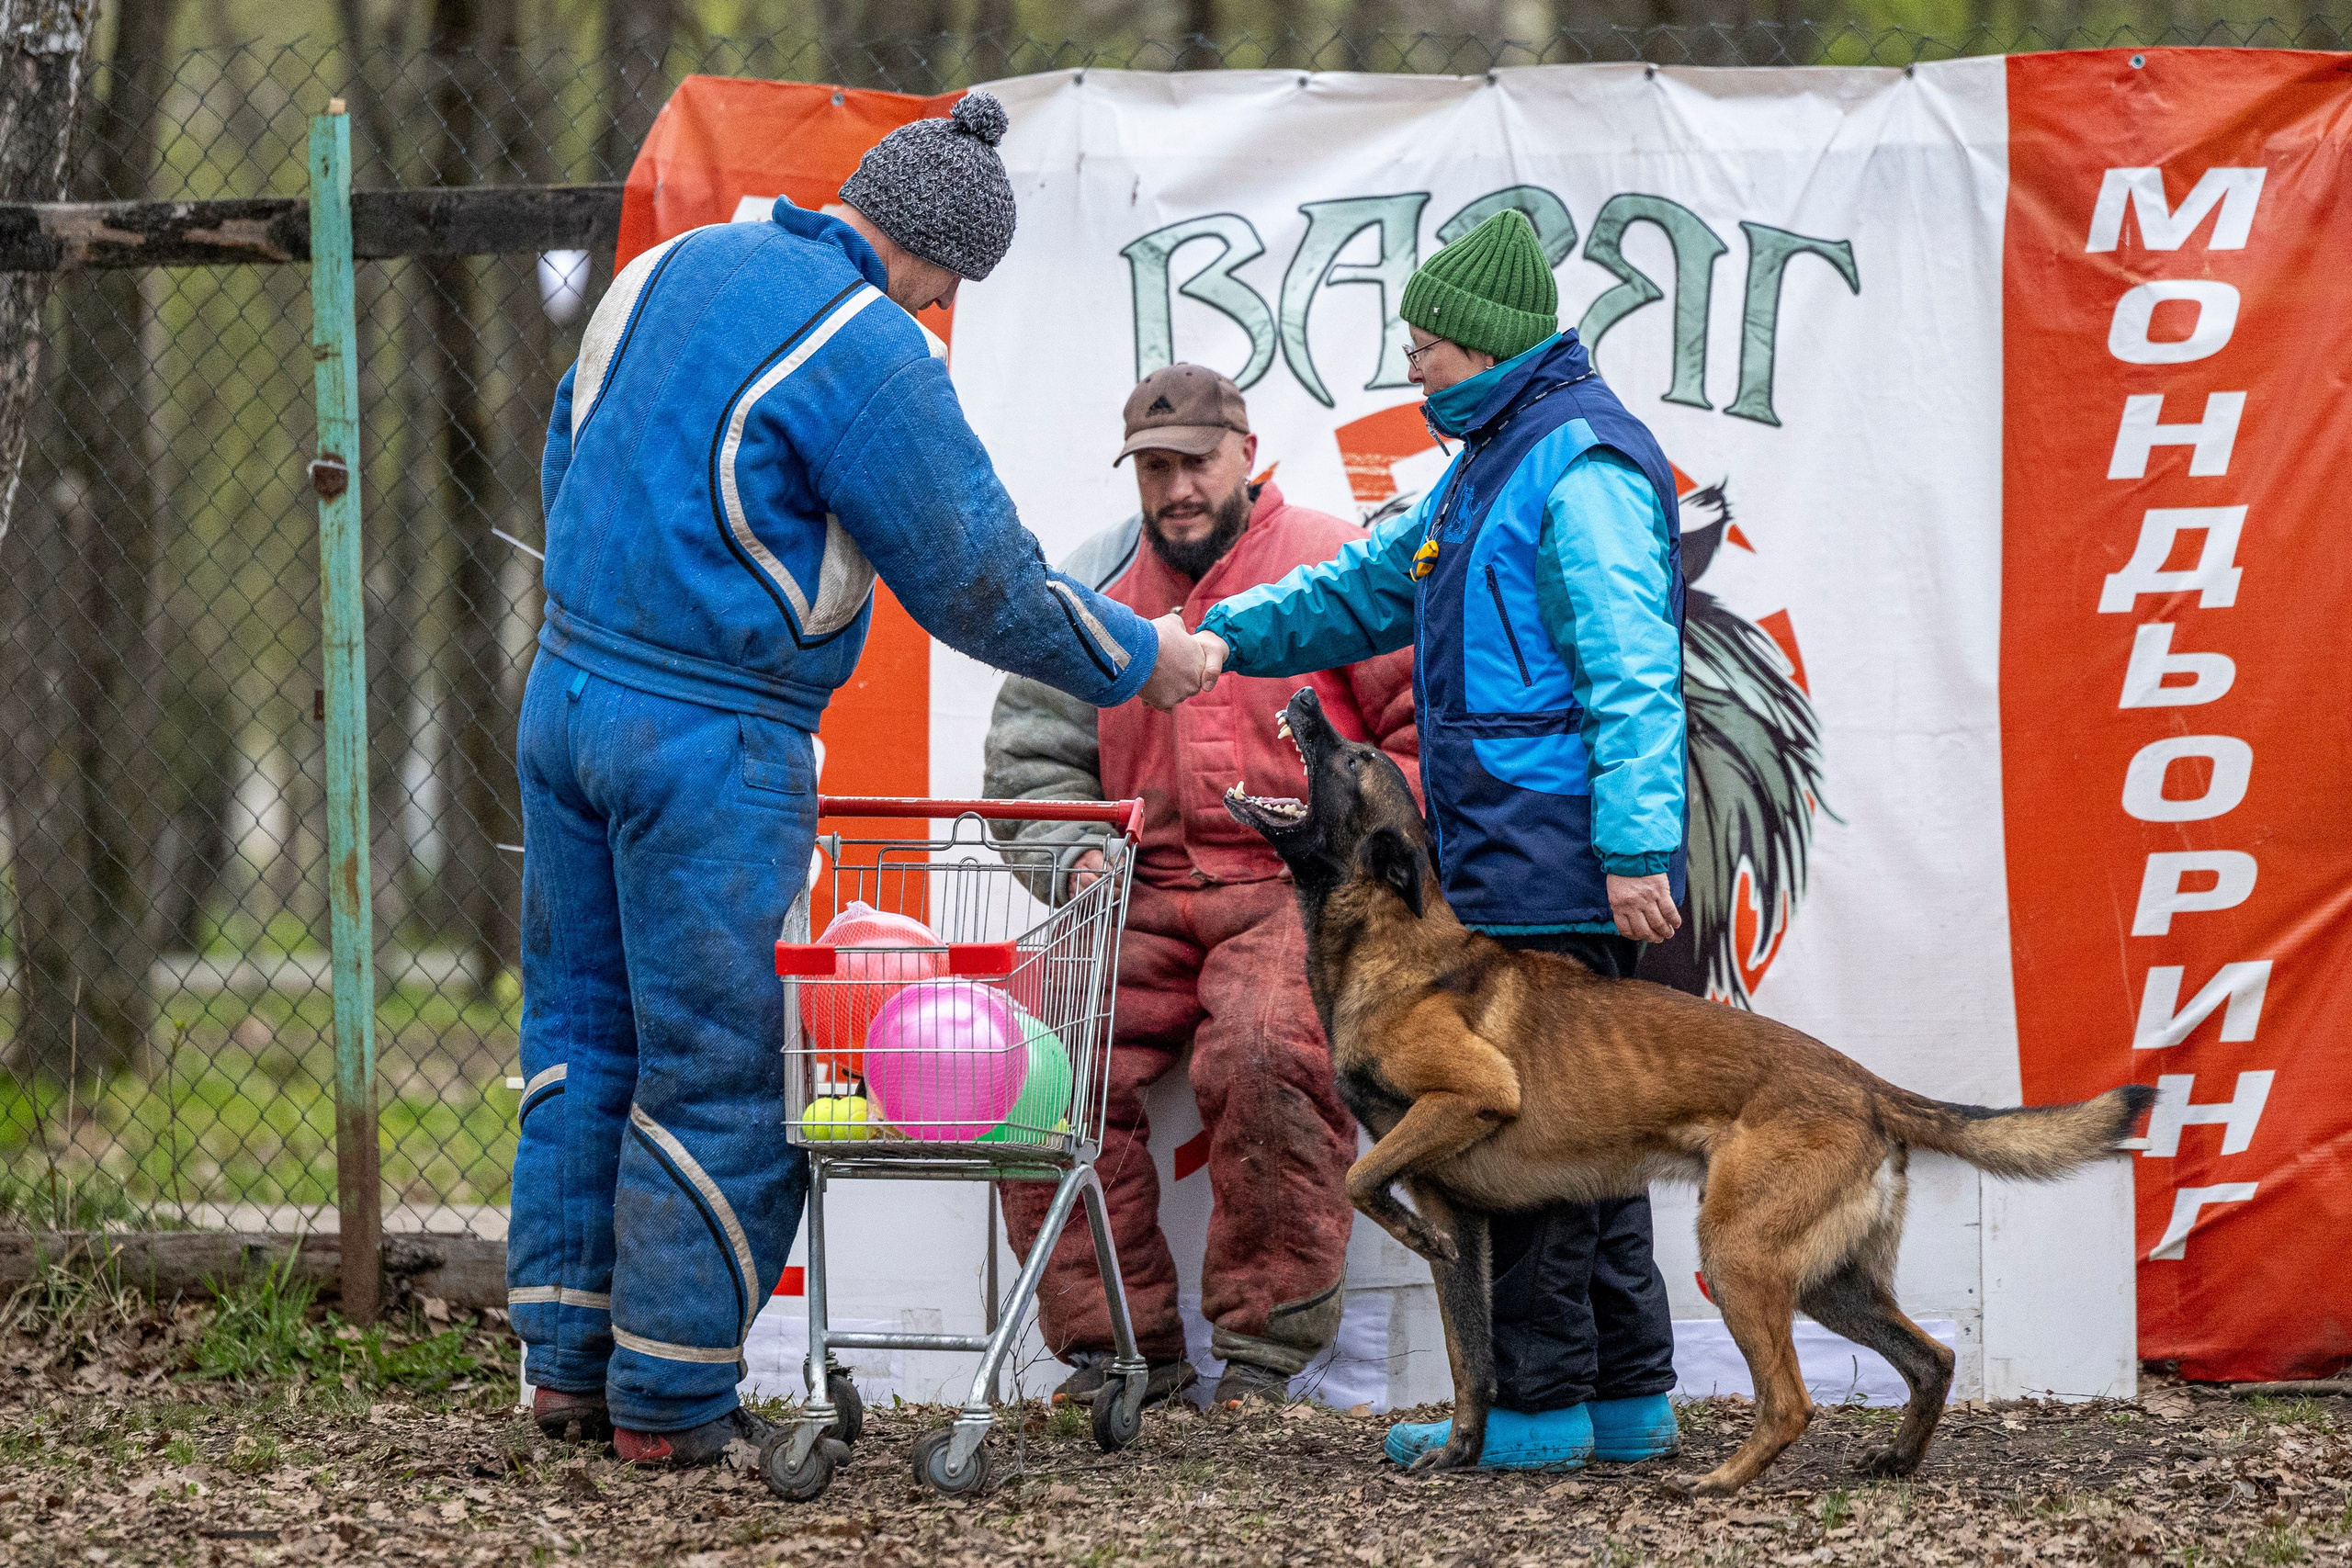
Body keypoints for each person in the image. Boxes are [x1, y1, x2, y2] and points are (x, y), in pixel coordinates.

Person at [513, 92, 1206, 1467]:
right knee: (716, 1057)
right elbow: (980, 576)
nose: (944, 308)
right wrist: (1142, 655)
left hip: (564, 691)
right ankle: (670, 1403)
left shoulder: (670, 267)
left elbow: (562, 444)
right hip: (711, 736)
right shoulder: (869, 348)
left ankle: (566, 1366)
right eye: (952, 285)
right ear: (934, 260)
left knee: (582, 1030)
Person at [1184, 209, 1687, 1470]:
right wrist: (1218, 641)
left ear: (1490, 342)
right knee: (1597, 1130)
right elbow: (1359, 589)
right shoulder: (1485, 466)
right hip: (1513, 845)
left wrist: (1634, 847)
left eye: (1428, 349)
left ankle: (1532, 1411)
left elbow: (1634, 667)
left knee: (1524, 1149)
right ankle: (1627, 1404)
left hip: (1558, 856)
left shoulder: (1579, 465)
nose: (1412, 369)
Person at [983, 365, 1420, 1411]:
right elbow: (1026, 767)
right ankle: (1115, 1350)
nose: (1176, 487)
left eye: (1195, 462)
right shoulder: (1090, 591)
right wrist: (1076, 857)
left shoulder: (1335, 564)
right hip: (1139, 892)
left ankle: (1265, 1355)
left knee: (1266, 1049)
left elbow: (1418, 733)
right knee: (1023, 1061)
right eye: (1154, 467)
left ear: (1247, 456)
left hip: (1293, 888)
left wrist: (1362, 864)